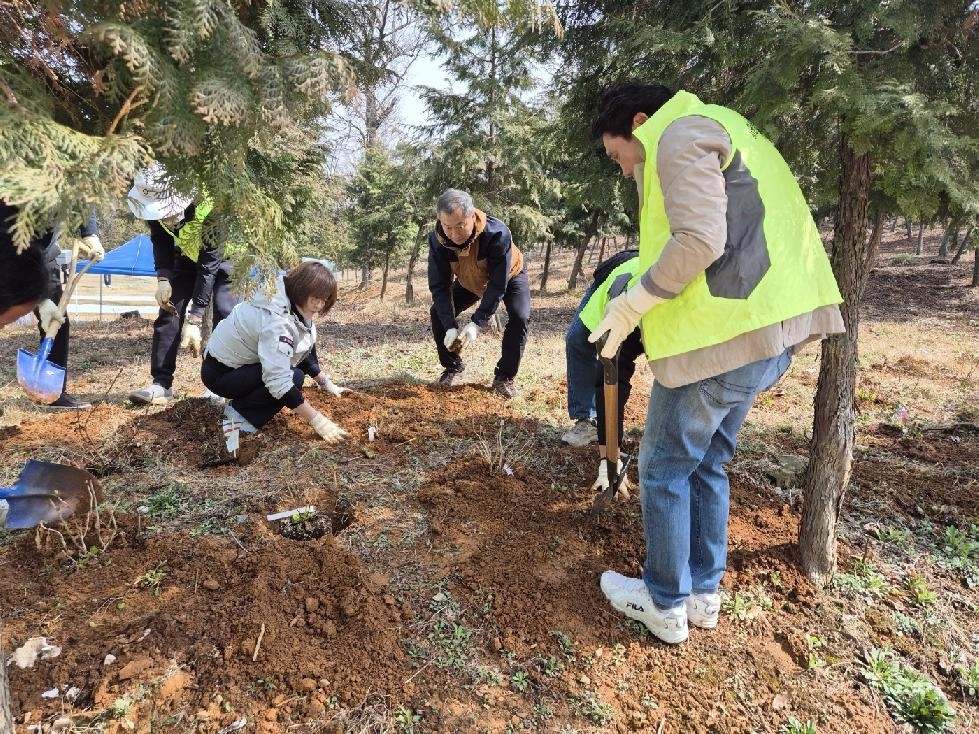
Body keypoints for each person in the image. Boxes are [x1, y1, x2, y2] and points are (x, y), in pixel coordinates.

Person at [588, 83, 844, 644]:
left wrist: (634, 303)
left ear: (637, 123)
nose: (626, 172)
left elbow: (700, 241)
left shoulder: (678, 135)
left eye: (618, 156)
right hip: (766, 334)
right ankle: (703, 595)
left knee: (662, 468)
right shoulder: (723, 122)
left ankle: (664, 603)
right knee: (707, 463)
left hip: (720, 343)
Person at [125, 163, 238, 405]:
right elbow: (161, 240)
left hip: (224, 260)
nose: (165, 217)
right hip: (186, 256)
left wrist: (195, 318)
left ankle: (222, 384)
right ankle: (161, 384)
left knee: (225, 314)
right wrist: (163, 279)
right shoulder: (154, 208)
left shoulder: (210, 207)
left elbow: (209, 267)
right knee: (168, 313)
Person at [201, 261, 349, 443]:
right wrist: (317, 420)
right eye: (315, 297)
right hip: (221, 374)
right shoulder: (276, 320)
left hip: (241, 367)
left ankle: (243, 407)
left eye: (324, 299)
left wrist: (325, 383)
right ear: (301, 289)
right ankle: (238, 417)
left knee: (294, 373)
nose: (319, 304)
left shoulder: (290, 303)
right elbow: (278, 382)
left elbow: (303, 346)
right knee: (294, 377)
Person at [428, 188, 530, 398]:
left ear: (471, 216)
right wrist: (449, 326)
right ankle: (453, 367)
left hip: (509, 277)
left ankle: (504, 377)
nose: (454, 235)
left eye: (460, 226)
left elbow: (497, 285)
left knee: (520, 317)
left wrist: (477, 322)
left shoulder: (497, 234)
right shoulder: (438, 241)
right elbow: (439, 286)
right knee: (438, 313)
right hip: (469, 280)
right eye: (448, 227)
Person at [1, 202, 105, 408]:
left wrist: (90, 235)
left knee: (57, 321)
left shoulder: (70, 185)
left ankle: (53, 395)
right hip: (11, 250)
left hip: (42, 255)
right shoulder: (14, 198)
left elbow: (84, 199)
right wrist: (40, 298)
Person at [565, 251, 646, 500]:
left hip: (663, 299)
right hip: (618, 277)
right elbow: (610, 380)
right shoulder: (623, 318)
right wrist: (608, 460)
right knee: (578, 340)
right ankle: (586, 419)